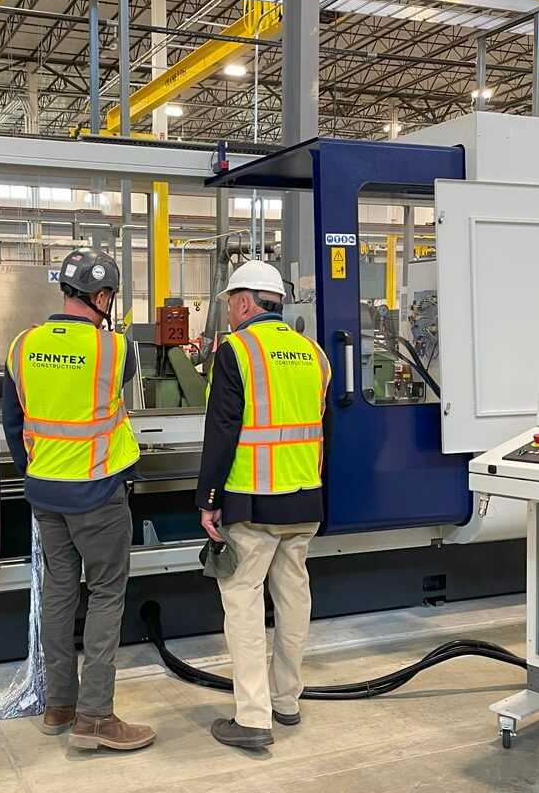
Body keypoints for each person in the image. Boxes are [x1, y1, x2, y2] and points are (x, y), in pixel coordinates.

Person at [2, 247, 156, 752]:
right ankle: (95, 717)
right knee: (107, 595)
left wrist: (37, 472)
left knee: (60, 592)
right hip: (99, 492)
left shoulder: (22, 346)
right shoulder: (117, 350)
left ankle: (58, 706)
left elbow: (13, 421)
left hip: (45, 493)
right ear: (104, 296)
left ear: (65, 292)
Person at [196, 260, 332, 749]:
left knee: (243, 604)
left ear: (246, 302)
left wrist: (208, 500)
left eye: (231, 303)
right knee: (295, 597)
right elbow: (323, 431)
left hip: (252, 502)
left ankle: (253, 718)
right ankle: (287, 700)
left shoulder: (237, 351)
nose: (230, 313)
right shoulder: (312, 353)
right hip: (304, 499)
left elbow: (222, 433)